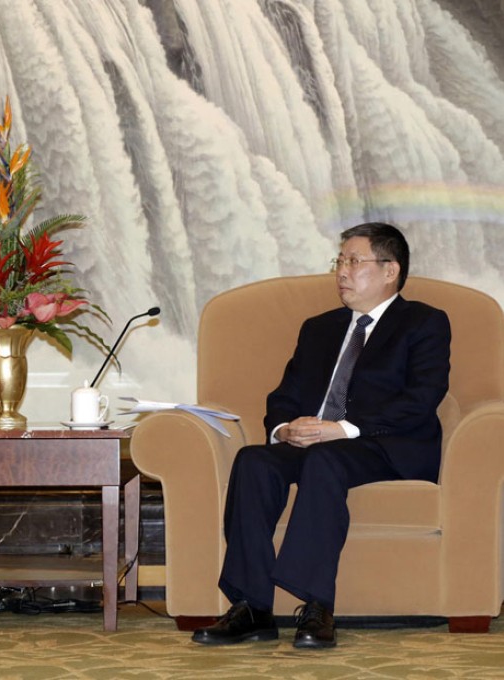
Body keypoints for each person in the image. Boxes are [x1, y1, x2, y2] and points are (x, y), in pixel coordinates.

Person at [192, 222, 450, 649]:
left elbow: (422, 399)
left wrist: (342, 429)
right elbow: (285, 394)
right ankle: (252, 605)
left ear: (390, 271)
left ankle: (317, 604)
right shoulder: (320, 327)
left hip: (386, 445)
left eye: (354, 261)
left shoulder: (423, 322)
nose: (342, 272)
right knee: (254, 461)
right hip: (315, 441)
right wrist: (284, 428)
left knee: (325, 460)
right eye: (340, 261)